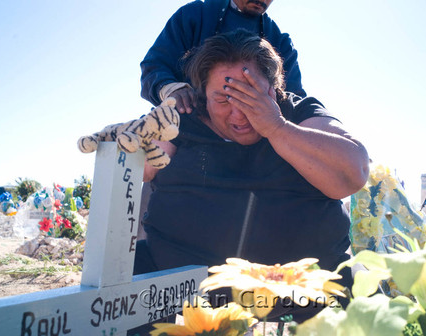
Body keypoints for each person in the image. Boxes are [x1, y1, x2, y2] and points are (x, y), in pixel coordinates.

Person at [134, 30, 369, 319]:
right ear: (201, 95)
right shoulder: (181, 119)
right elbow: (136, 167)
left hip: (306, 290)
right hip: (186, 296)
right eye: (223, 99)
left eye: (250, 96)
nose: (239, 114)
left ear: (274, 90)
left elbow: (354, 172)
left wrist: (276, 127)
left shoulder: (299, 113)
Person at [140, 0, 306, 114]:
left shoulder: (280, 41)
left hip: (256, 146)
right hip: (189, 132)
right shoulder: (194, 16)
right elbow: (155, 66)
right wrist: (172, 89)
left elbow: (296, 99)